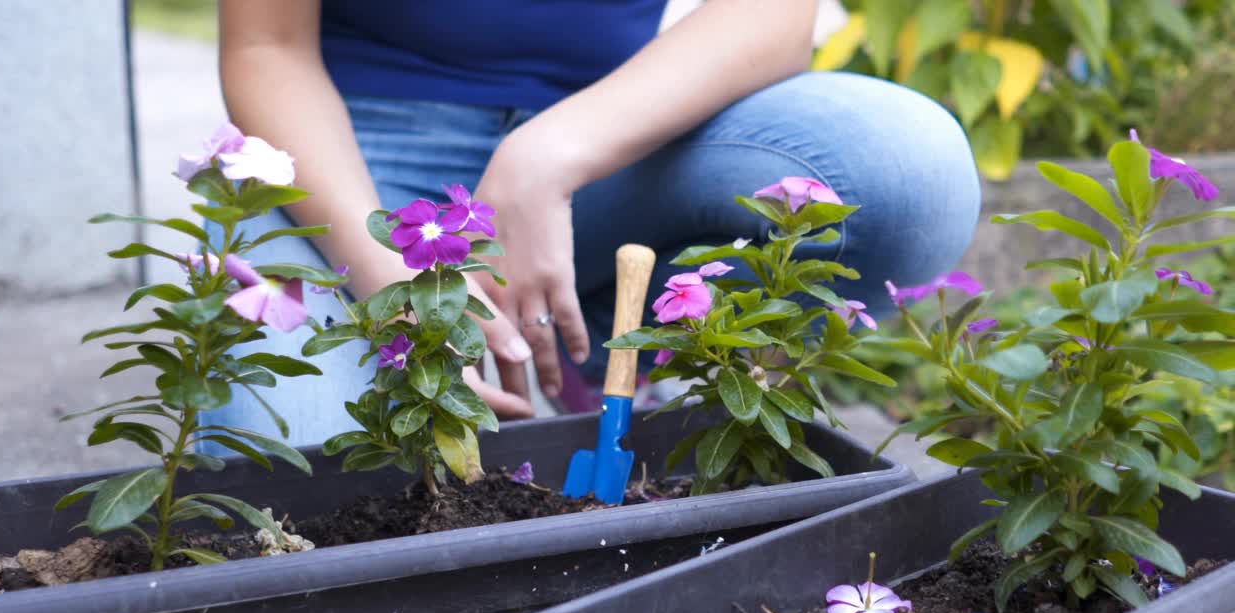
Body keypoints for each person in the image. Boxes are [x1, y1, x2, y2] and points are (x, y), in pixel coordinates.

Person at [205, 0, 981, 448]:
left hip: (612, 136)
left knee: (908, 167)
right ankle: (545, 344)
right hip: (355, 161)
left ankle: (609, 343)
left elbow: (773, 13)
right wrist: (395, 283)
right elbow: (266, 47)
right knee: (296, 469)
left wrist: (549, 156)